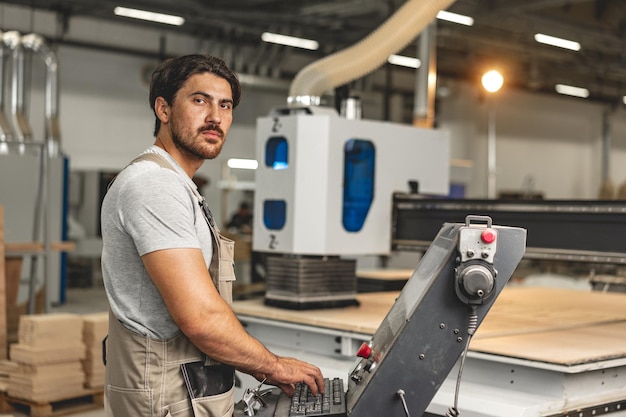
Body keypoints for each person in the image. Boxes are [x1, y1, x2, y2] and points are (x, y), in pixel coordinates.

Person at [100, 54, 324, 417]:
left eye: (225, 105)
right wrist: (274, 365)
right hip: (165, 396)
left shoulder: (178, 185)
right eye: (199, 100)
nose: (215, 117)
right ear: (164, 109)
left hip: (185, 387)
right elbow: (200, 318)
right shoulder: (154, 185)